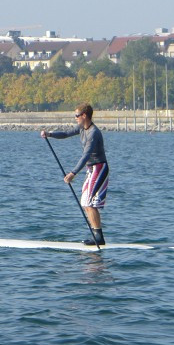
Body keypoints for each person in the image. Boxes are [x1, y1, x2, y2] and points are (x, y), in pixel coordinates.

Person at [41, 104, 108, 245]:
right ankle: (96, 235)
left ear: (84, 115)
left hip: (99, 168)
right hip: (91, 169)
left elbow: (86, 155)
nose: (75, 118)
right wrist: (50, 134)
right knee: (85, 202)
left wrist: (73, 173)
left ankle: (99, 238)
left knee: (90, 203)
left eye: (77, 115)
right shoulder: (82, 128)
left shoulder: (93, 133)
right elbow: (66, 134)